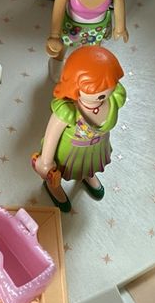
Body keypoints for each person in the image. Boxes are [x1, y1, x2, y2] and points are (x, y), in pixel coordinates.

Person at [33, 46, 127, 212]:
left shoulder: (114, 99)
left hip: (96, 149)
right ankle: (53, 185)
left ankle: (87, 175)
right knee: (59, 172)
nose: (106, 91)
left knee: (89, 165)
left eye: (110, 84)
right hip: (68, 153)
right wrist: (46, 162)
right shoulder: (67, 110)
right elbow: (51, 136)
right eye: (97, 88)